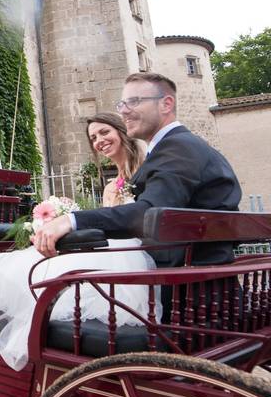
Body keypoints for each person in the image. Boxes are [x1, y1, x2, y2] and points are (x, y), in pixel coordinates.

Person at [0, 112, 156, 370]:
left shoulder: (145, 171)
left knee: (32, 269)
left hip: (132, 253)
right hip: (112, 247)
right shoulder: (110, 187)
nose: (99, 141)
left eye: (105, 132)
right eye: (93, 137)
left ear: (121, 130)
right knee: (28, 264)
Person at [32, 73, 242, 267]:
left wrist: (71, 220)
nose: (123, 111)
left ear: (166, 104)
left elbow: (150, 213)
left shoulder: (178, 147)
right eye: (122, 104)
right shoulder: (172, 147)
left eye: (134, 101)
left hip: (186, 284)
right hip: (180, 274)